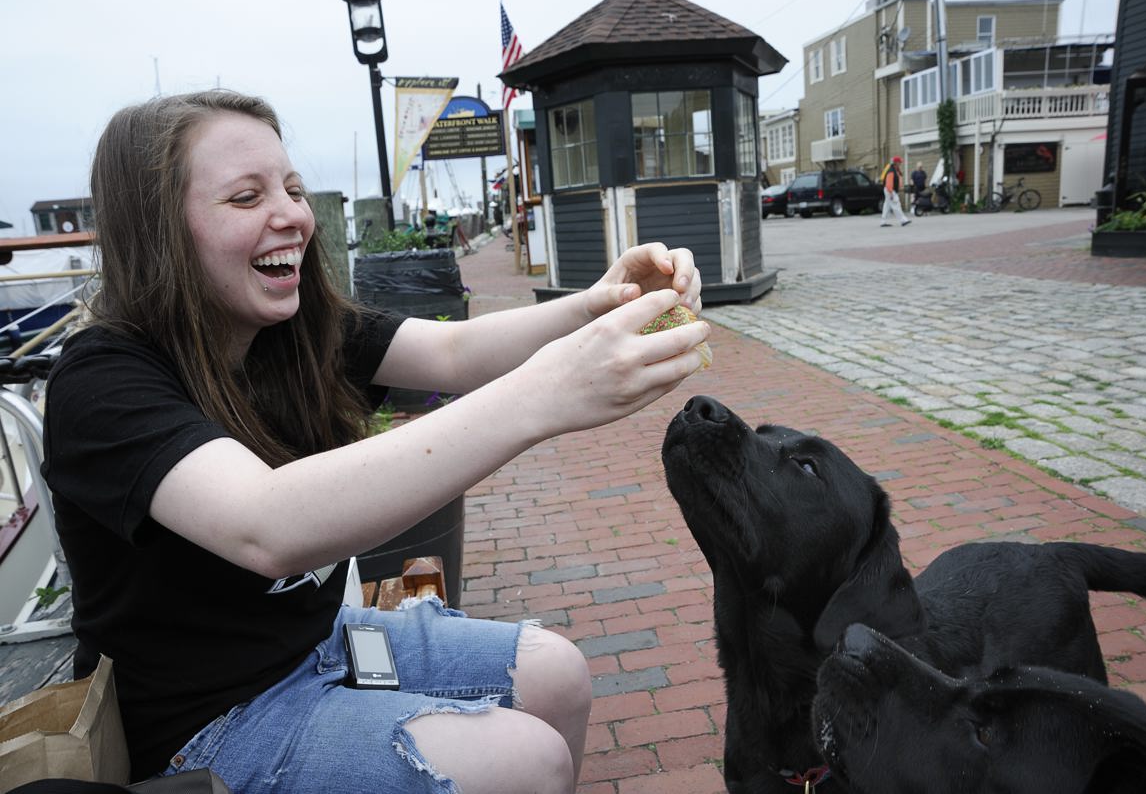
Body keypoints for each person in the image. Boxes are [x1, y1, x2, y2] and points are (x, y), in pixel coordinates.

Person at [41, 90, 708, 794]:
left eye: (293, 188)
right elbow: (264, 522)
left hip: (320, 640)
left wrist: (600, 300)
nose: (293, 215)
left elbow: (451, 352)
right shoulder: (102, 379)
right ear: (158, 229)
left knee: (559, 673)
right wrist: (546, 396)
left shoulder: (291, 333)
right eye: (246, 197)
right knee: (526, 759)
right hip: (209, 725)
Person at [880, 156, 911, 227]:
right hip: (890, 190)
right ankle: (903, 220)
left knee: (887, 206)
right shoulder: (891, 171)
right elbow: (889, 184)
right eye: (899, 162)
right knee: (896, 205)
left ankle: (883, 221)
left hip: (889, 190)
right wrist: (891, 194)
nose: (900, 163)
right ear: (896, 163)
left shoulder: (895, 170)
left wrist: (900, 188)